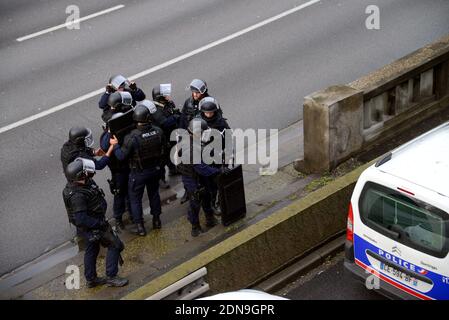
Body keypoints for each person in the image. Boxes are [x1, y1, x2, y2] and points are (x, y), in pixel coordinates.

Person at [62, 158, 128, 288]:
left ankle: (91, 279)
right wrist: (100, 224)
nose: (88, 172)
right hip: (94, 226)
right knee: (115, 244)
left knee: (92, 249)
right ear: (79, 175)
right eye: (85, 171)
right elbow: (81, 219)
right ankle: (111, 276)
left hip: (91, 226)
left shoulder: (81, 183)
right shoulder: (77, 196)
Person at [112, 104, 164, 236]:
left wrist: (116, 145)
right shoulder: (158, 131)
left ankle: (140, 226)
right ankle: (157, 220)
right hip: (155, 169)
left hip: (139, 173)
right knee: (154, 195)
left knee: (135, 199)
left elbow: (121, 156)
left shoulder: (132, 138)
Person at [177, 118, 221, 237]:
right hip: (191, 176)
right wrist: (217, 171)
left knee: (207, 195)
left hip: (200, 173)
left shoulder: (197, 139)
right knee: (195, 201)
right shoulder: (188, 146)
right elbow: (201, 167)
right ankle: (195, 226)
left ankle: (210, 218)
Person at [100, 113, 132, 230]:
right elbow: (104, 146)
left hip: (129, 167)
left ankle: (132, 213)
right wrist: (110, 132)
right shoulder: (108, 136)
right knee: (119, 195)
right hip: (118, 171)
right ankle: (118, 219)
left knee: (130, 192)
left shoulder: (125, 131)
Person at [152, 85, 181, 179]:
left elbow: (172, 110)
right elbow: (164, 123)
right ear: (159, 98)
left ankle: (174, 168)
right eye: (165, 95)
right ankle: (169, 172)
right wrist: (175, 117)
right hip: (164, 136)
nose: (168, 96)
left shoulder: (167, 103)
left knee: (173, 150)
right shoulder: (156, 110)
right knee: (166, 154)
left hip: (171, 133)